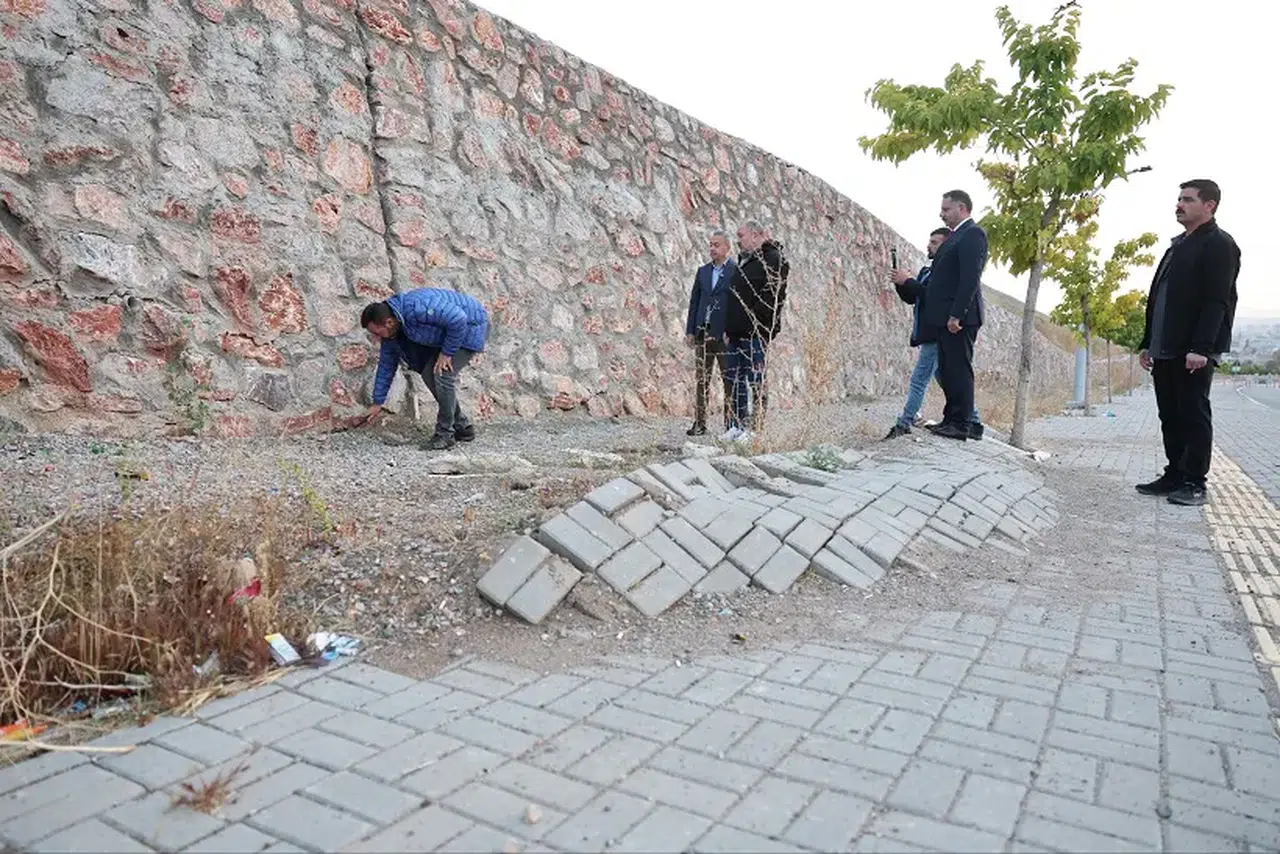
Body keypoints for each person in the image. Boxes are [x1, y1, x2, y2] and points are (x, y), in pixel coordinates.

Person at [1134, 179, 1240, 507]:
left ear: (1210, 206)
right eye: (1179, 199)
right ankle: (1175, 474)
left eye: (1188, 199)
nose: (1180, 204)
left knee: (1193, 413)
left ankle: (1195, 482)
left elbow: (1217, 301)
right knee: (1170, 414)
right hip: (1165, 347)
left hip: (1192, 350)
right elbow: (1159, 299)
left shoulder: (1220, 245)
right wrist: (1148, 342)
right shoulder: (1177, 244)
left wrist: (1202, 348)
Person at [360, 288, 490, 451]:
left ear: (389, 322)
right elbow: (386, 366)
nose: (375, 337)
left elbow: (458, 319)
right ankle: (462, 427)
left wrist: (447, 353)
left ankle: (445, 434)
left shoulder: (417, 308)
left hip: (471, 327)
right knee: (429, 374)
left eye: (375, 332)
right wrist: (377, 402)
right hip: (452, 332)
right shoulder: (392, 334)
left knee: (442, 373)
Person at [885, 228, 984, 439]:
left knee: (920, 378)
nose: (929, 246)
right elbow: (915, 297)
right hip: (931, 332)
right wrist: (902, 284)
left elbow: (933, 295)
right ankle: (973, 421)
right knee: (947, 378)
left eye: (935, 242)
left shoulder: (945, 273)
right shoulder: (928, 270)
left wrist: (909, 282)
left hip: (937, 333)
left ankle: (904, 422)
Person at [919, 190, 987, 441]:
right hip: (946, 319)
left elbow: (970, 277)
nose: (942, 214)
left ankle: (962, 424)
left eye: (946, 210)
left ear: (962, 208)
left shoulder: (973, 234)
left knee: (959, 370)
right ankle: (952, 419)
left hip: (960, 319)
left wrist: (956, 314)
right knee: (948, 370)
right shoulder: (957, 236)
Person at [722, 221, 789, 441]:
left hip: (754, 335)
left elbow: (772, 299)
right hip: (735, 334)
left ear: (756, 235)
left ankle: (755, 430)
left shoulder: (773, 260)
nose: (738, 240)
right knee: (735, 381)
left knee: (756, 381)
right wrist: (728, 327)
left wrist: (756, 326)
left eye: (741, 235)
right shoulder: (745, 261)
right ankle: (737, 425)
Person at [684, 231, 737, 436]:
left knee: (728, 381)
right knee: (701, 380)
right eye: (711, 245)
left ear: (727, 248)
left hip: (724, 336)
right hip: (702, 334)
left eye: (717, 245)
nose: (713, 248)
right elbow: (694, 301)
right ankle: (700, 423)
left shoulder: (735, 271)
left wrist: (731, 330)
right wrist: (690, 330)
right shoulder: (702, 272)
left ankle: (730, 424)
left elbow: (737, 305)